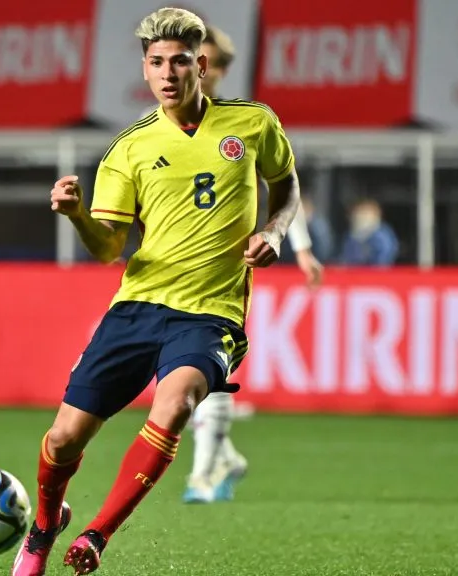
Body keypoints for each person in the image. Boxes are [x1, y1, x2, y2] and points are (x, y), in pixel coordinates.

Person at [11, 8, 321, 575]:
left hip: (211, 313)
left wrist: (275, 230)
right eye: (157, 63)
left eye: (180, 61)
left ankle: (96, 536)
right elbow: (108, 248)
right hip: (137, 306)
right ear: (146, 70)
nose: (168, 73)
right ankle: (44, 526)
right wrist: (77, 214)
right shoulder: (128, 149)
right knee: (62, 441)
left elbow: (287, 182)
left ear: (201, 65)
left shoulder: (252, 124)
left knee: (176, 403)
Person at [181, 23, 322, 506]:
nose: (205, 69)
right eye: (197, 58)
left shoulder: (243, 124)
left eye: (214, 63)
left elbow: (283, 186)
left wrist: (298, 246)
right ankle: (223, 459)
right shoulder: (157, 123)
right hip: (174, 270)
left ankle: (202, 472)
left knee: (210, 365)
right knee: (181, 378)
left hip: (227, 268)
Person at [339, 198, 398, 266]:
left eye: (365, 213)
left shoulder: (381, 236)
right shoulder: (350, 236)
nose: (360, 216)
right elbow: (346, 257)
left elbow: (383, 261)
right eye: (358, 213)